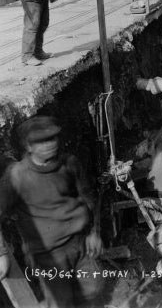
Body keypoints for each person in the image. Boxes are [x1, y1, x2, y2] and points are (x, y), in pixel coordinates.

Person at [0, 116, 103, 308]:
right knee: (61, 303)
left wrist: (94, 232)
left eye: (52, 138)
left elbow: (88, 198)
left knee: (93, 293)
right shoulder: (17, 176)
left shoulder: (69, 164)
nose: (49, 144)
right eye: (41, 141)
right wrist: (1, 253)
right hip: (47, 256)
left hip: (80, 246)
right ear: (28, 146)